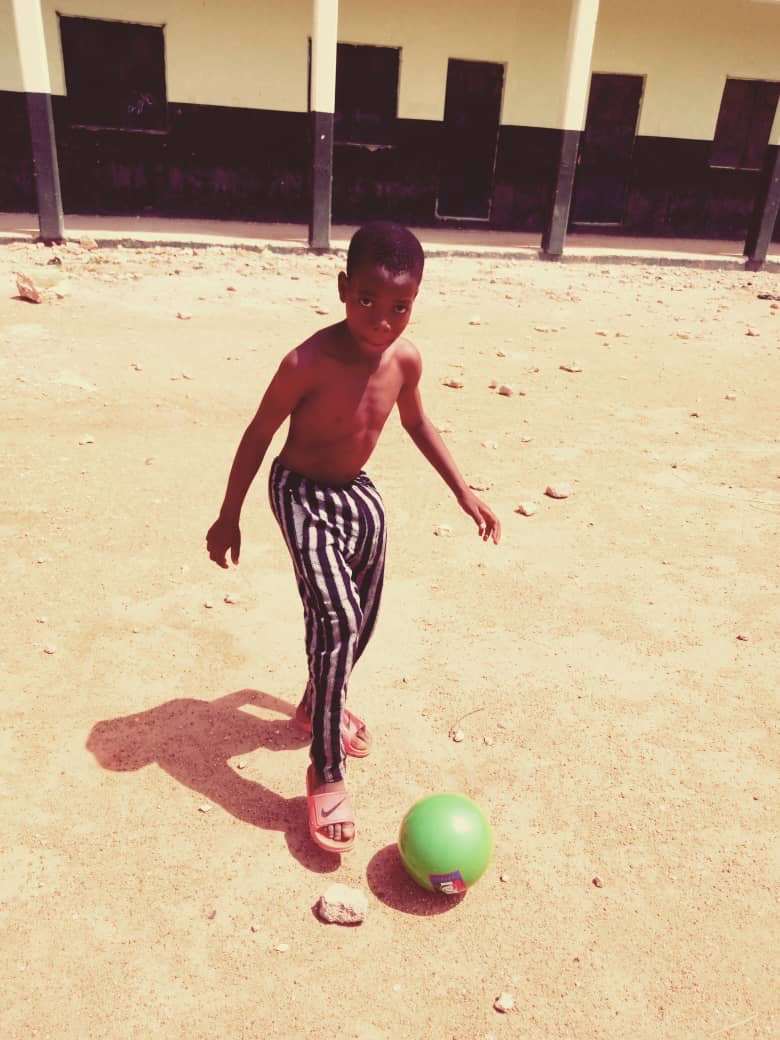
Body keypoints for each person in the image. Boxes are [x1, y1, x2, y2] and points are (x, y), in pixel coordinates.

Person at [206, 221, 500, 854]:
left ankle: (317, 704)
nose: (381, 320)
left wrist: (463, 490)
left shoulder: (405, 360)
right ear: (343, 288)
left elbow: (417, 423)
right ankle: (325, 768)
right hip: (299, 492)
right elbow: (258, 434)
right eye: (367, 299)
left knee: (360, 617)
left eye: (400, 306)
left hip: (356, 494)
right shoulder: (306, 362)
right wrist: (229, 515)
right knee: (335, 617)